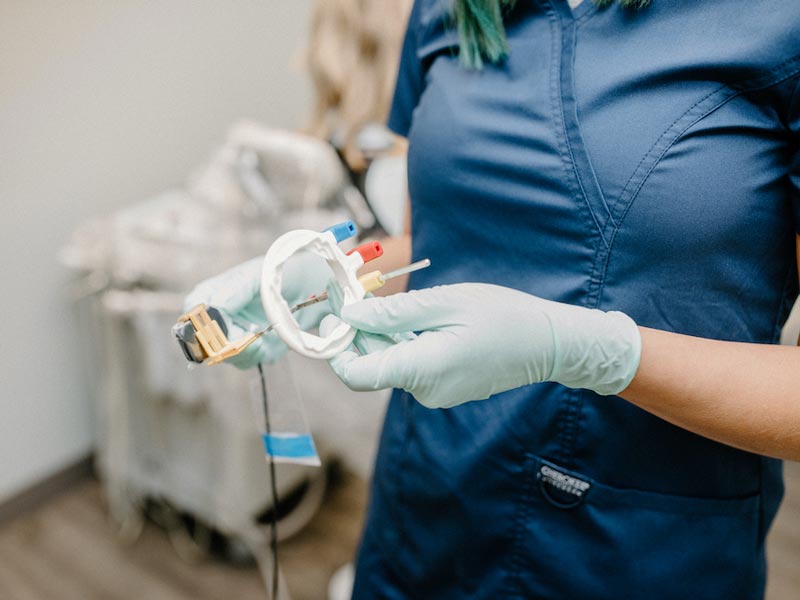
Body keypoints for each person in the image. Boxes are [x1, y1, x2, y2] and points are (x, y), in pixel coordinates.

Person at [185, 0, 800, 597]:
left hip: (632, 543)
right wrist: (323, 274)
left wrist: (599, 352)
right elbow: (433, 247)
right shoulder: (447, 11)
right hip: (426, 503)